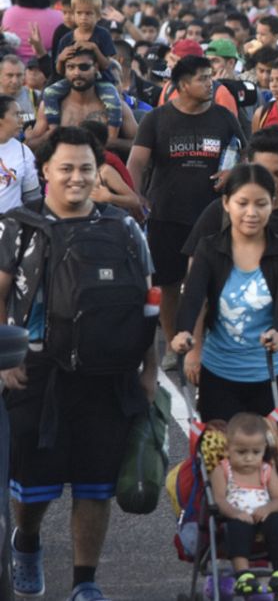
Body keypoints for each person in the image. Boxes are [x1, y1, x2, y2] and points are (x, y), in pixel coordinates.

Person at [0, 126, 157, 601]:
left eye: (86, 169)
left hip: (108, 373)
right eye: (65, 168)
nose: (76, 178)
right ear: (44, 171)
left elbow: (147, 301)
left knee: (95, 485)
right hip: (33, 370)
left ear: (99, 172)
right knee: (34, 486)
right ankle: (26, 540)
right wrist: (3, 358)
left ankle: (84, 582)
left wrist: (150, 369)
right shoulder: (17, 225)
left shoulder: (125, 228)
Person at [128, 55, 247, 371]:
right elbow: (137, 163)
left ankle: (210, 343)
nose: (210, 83)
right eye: (203, 78)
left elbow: (244, 156)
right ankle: (172, 344)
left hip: (214, 215)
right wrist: (135, 198)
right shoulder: (156, 119)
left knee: (215, 283)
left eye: (211, 77)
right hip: (167, 214)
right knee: (169, 284)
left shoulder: (224, 117)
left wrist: (232, 174)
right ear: (182, 85)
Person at [170, 163, 278, 422]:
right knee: (218, 458)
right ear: (227, 203)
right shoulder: (209, 249)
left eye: (260, 204)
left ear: (272, 204)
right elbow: (193, 297)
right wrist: (183, 332)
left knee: (276, 456)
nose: (251, 213)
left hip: (273, 371)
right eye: (242, 203)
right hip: (220, 374)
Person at [210, 413, 278, 596]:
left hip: (264, 517)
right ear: (227, 448)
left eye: (256, 452)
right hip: (237, 517)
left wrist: (268, 508)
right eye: (241, 452)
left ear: (264, 449)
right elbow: (219, 499)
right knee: (236, 528)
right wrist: (235, 513)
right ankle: (243, 574)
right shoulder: (223, 470)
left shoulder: (266, 470)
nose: (249, 458)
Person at [0, 96, 41, 211]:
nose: (22, 120)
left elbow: (33, 198)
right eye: (16, 115)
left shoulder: (24, 152)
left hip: (10, 225)